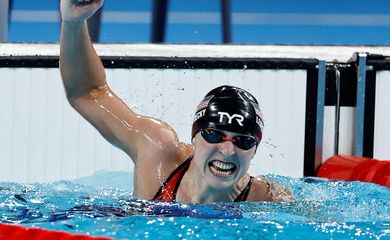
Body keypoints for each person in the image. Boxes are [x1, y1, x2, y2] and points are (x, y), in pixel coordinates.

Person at [60, 0, 294, 203]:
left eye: (243, 141)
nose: (227, 150)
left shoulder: (265, 197)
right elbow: (87, 92)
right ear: (194, 137)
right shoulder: (157, 151)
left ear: (254, 150)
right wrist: (72, 23)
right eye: (213, 135)